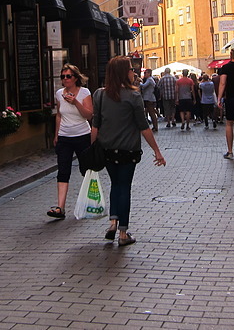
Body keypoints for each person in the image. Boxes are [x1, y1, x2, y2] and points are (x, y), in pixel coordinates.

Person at [91, 56, 166, 246]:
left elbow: (95, 126)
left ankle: (112, 223)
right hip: (127, 150)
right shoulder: (133, 96)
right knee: (124, 187)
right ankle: (123, 233)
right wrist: (157, 151)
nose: (134, 72)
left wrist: (91, 151)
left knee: (115, 185)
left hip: (107, 149)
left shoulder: (99, 94)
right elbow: (143, 127)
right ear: (124, 73)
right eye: (131, 69)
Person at [48, 64, 93, 219]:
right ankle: (60, 207)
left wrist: (76, 103)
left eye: (68, 76)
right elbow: (59, 115)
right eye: (63, 76)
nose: (65, 79)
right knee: (63, 170)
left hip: (82, 135)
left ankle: (89, 203)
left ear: (76, 78)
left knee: (86, 170)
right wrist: (56, 135)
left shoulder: (84, 92)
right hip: (64, 137)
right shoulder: (59, 93)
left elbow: (89, 115)